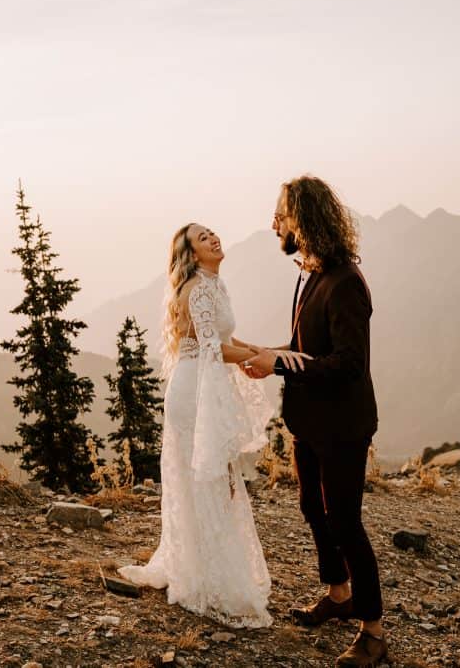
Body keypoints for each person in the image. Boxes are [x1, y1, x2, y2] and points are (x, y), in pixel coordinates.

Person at [118, 222, 307, 628]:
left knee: (215, 480)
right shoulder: (199, 288)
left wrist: (262, 351)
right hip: (193, 392)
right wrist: (260, 358)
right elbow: (210, 347)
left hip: (200, 383)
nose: (213, 238)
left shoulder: (213, 283)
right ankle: (206, 578)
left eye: (212, 233)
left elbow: (225, 337)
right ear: (191, 254)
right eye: (202, 238)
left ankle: (205, 567)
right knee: (207, 479)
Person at [242, 176, 388, 666]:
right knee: (311, 506)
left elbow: (349, 363)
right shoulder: (309, 273)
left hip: (344, 425)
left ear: (302, 220)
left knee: (346, 522)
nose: (273, 223)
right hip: (309, 422)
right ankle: (339, 595)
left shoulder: (346, 282)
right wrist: (264, 354)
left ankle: (373, 632)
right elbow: (307, 351)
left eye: (281, 214)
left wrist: (278, 364)